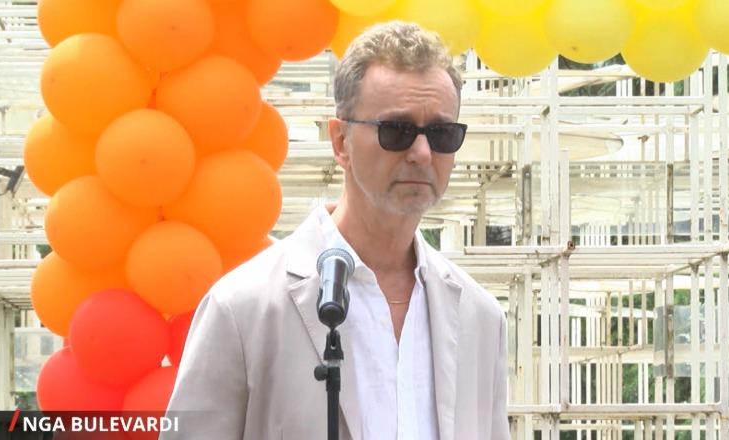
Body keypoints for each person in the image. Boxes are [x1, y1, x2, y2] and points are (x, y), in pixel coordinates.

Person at [161, 21, 508, 440]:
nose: (421, 152)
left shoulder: (479, 317)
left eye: (442, 134)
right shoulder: (243, 307)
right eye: (396, 131)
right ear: (341, 141)